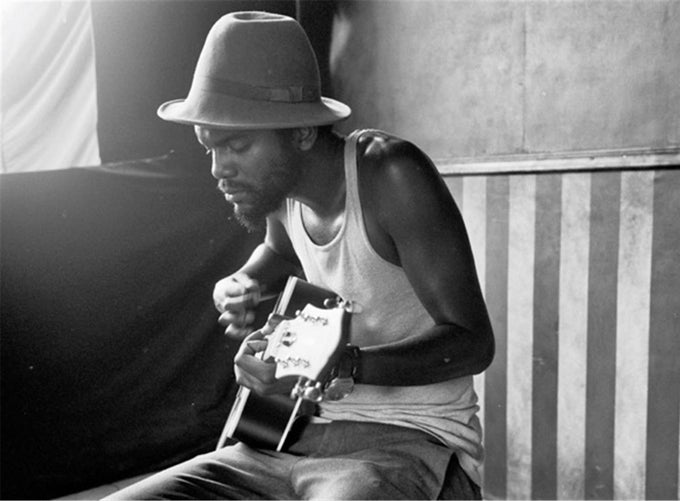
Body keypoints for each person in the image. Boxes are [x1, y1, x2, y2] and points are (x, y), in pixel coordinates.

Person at [106, 11, 494, 500]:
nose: (218, 169)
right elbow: (277, 251)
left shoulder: (389, 176)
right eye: (209, 147)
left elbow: (472, 342)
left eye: (237, 146)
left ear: (303, 132)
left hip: (407, 442)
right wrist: (240, 284)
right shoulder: (284, 192)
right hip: (285, 439)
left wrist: (341, 364)